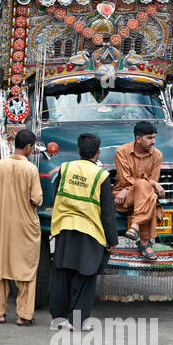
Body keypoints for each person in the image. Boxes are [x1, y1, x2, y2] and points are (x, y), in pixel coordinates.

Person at [48, 132, 118, 332]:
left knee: (62, 272)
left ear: (79, 151)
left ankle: (58, 318)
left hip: (64, 226)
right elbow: (107, 213)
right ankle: (76, 321)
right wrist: (112, 241)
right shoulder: (101, 175)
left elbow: (57, 196)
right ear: (97, 153)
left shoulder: (65, 168)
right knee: (85, 275)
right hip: (90, 231)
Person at [0, 128, 43, 325]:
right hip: (25, 226)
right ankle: (24, 316)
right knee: (27, 269)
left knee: (0, 268)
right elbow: (36, 198)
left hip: (3, 226)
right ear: (28, 147)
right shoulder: (30, 169)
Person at [113, 122, 163, 260]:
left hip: (144, 197)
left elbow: (150, 186)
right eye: (149, 138)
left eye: (154, 137)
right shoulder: (121, 152)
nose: (153, 141)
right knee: (145, 189)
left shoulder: (157, 155)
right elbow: (125, 180)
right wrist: (152, 183)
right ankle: (145, 243)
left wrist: (150, 184)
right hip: (123, 198)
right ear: (138, 138)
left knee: (146, 192)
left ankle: (134, 227)